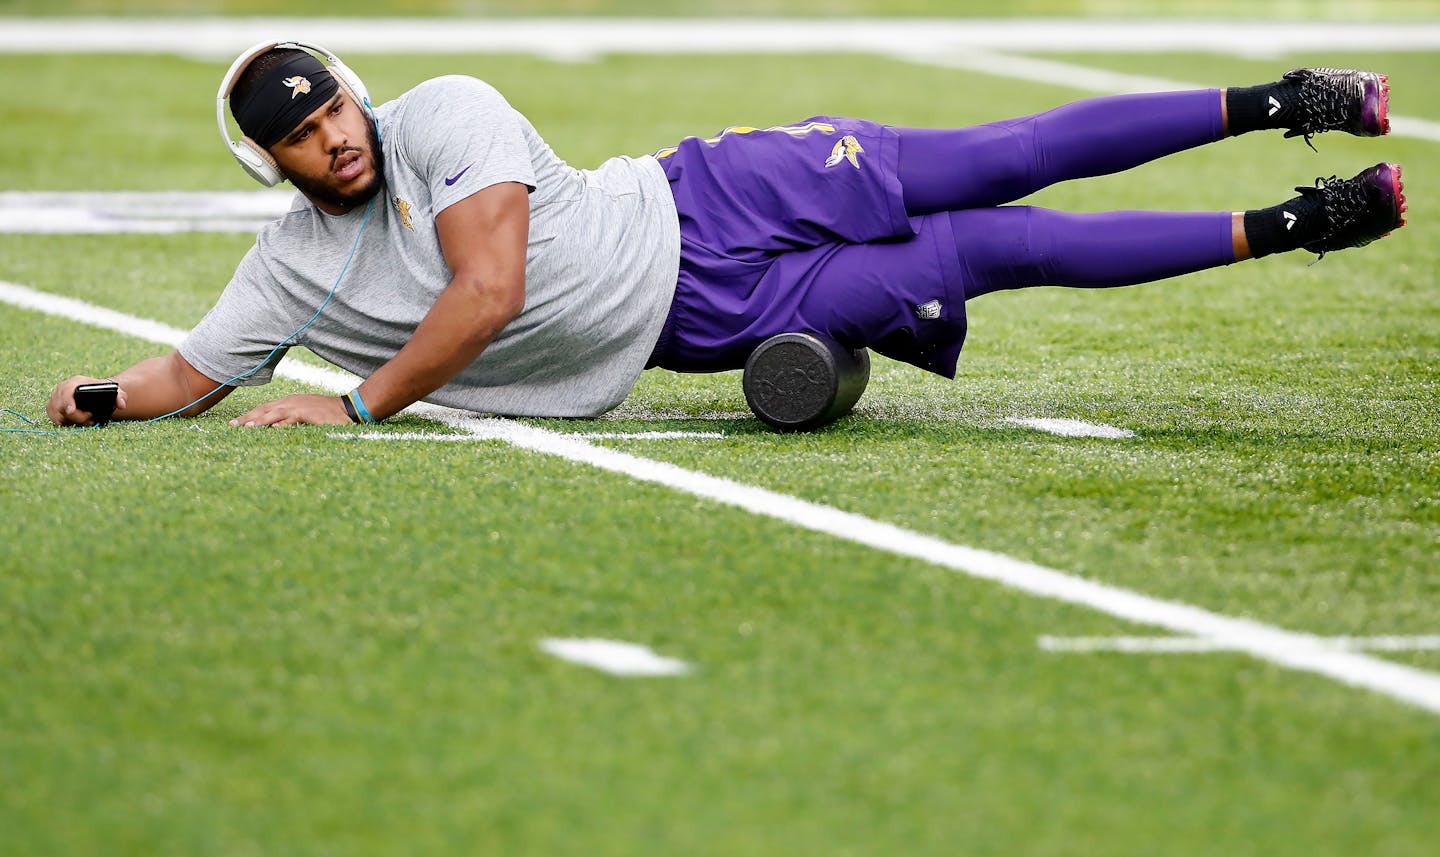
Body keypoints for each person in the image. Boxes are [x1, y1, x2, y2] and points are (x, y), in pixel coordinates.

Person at [47, 44, 1406, 428]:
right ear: (273, 160)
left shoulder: (444, 112)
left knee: (995, 156)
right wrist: (103, 397)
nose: (334, 135)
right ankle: (1307, 223)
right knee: (1003, 245)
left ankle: (1287, 100)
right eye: (303, 133)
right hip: (697, 327)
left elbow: (491, 285)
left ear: (353, 92)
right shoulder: (290, 258)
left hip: (713, 196)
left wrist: (355, 405)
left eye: (333, 104)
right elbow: (195, 369)